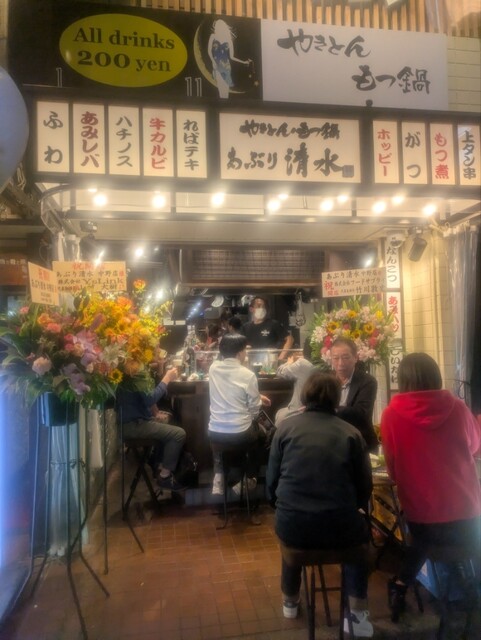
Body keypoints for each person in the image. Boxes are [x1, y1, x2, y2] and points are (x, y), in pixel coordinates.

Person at [266, 371, 374, 637]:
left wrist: (280, 506)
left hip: (292, 523)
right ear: (337, 399)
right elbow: (364, 488)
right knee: (360, 545)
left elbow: (271, 481)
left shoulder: (285, 428)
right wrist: (351, 507)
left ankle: (290, 601)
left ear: (305, 396)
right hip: (341, 524)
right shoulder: (351, 433)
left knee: (291, 532)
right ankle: (356, 615)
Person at [380, 353, 481, 622]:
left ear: (402, 380)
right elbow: (475, 446)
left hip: (423, 519)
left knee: (421, 542)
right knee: (465, 543)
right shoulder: (458, 408)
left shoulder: (391, 414)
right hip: (467, 515)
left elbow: (392, 469)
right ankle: (467, 586)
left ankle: (400, 587)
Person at [208, 333, 271, 495]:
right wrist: (252, 415)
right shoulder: (248, 374)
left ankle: (219, 475)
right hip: (241, 434)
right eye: (245, 350)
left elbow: (231, 388)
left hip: (214, 433)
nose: (246, 353)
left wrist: (258, 397)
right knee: (263, 435)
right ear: (239, 353)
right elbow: (255, 408)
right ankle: (250, 478)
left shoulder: (213, 369)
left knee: (221, 433)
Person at [118, 366, 187, 491]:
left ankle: (157, 465)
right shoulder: (136, 371)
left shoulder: (129, 369)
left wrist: (155, 413)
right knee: (179, 434)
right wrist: (167, 377)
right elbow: (150, 398)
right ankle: (165, 477)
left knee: (168, 420)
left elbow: (145, 396)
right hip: (133, 425)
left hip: (131, 422)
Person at [330, 337, 379, 452]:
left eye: (345, 357)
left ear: (355, 358)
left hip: (360, 441)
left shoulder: (367, 381)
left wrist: (330, 409)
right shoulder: (325, 379)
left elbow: (361, 413)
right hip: (332, 441)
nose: (340, 363)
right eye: (336, 358)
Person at [274, 338, 318, 426]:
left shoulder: (303, 364)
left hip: (298, 411)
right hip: (320, 413)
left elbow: (280, 371)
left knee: (280, 415)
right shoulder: (326, 363)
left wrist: (289, 363)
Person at [207, 19, 251, 99]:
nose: (217, 27)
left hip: (226, 66)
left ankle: (225, 104)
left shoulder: (229, 40)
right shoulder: (213, 36)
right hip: (217, 65)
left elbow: (232, 57)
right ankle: (222, 103)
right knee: (220, 86)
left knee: (225, 88)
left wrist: (243, 62)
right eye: (217, 26)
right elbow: (209, 51)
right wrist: (213, 61)